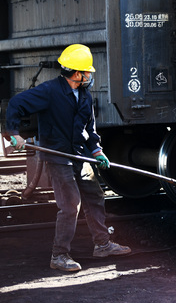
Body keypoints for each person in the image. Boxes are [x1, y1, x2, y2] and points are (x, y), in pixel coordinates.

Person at [4, 44, 131, 272]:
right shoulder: (50, 91)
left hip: (80, 155)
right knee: (71, 204)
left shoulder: (84, 96)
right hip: (58, 155)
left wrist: (97, 151)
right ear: (76, 73)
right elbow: (16, 103)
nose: (90, 76)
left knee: (94, 195)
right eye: (87, 72)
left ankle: (102, 245)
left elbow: (89, 129)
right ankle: (59, 255)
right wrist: (14, 134)